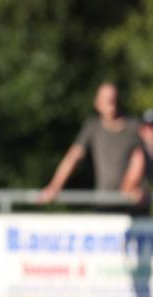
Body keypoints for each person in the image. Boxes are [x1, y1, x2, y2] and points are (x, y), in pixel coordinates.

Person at [39, 82, 145, 213]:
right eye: (105, 98)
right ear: (97, 103)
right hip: (105, 204)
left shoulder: (135, 127)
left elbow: (146, 158)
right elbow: (73, 157)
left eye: (112, 97)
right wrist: (54, 187)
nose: (110, 101)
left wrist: (138, 186)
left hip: (134, 206)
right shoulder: (93, 127)